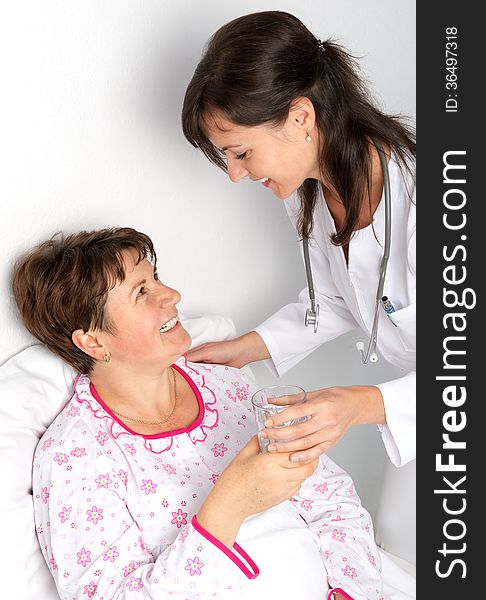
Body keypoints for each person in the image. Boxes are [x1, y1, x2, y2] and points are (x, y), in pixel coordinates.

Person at [12, 227, 384, 600]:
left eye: (155, 277)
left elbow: (333, 503)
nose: (173, 295)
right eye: (142, 292)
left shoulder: (227, 387)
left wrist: (350, 592)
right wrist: (228, 506)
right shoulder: (74, 458)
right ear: (93, 341)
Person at [182, 10, 416, 468]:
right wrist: (243, 348)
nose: (235, 175)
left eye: (241, 153)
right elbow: (338, 298)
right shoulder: (307, 188)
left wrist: (355, 404)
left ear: (300, 116)